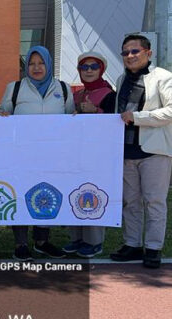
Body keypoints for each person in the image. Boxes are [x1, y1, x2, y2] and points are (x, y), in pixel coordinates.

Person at [0, 46, 74, 261]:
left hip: (53, 156)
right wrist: (2, 116)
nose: (36, 67)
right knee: (20, 194)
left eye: (41, 63)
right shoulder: (14, 88)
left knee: (47, 194)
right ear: (26, 67)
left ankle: (42, 241)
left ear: (49, 64)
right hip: (21, 156)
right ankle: (20, 243)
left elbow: (71, 119)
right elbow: (4, 117)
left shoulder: (63, 88)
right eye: (32, 63)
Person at [109, 34, 172, 269]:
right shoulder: (120, 79)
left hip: (154, 151)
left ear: (148, 53)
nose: (129, 56)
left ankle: (153, 248)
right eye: (125, 52)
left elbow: (171, 111)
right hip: (126, 151)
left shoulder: (164, 78)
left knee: (154, 202)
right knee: (130, 202)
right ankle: (132, 244)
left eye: (134, 51)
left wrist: (138, 118)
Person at [62, 51, 116, 258]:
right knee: (73, 192)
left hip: (98, 156)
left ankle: (94, 241)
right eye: (85, 67)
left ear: (101, 69)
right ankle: (76, 238)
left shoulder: (109, 94)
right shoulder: (75, 95)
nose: (89, 71)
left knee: (92, 193)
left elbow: (115, 122)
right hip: (75, 154)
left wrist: (96, 111)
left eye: (94, 67)